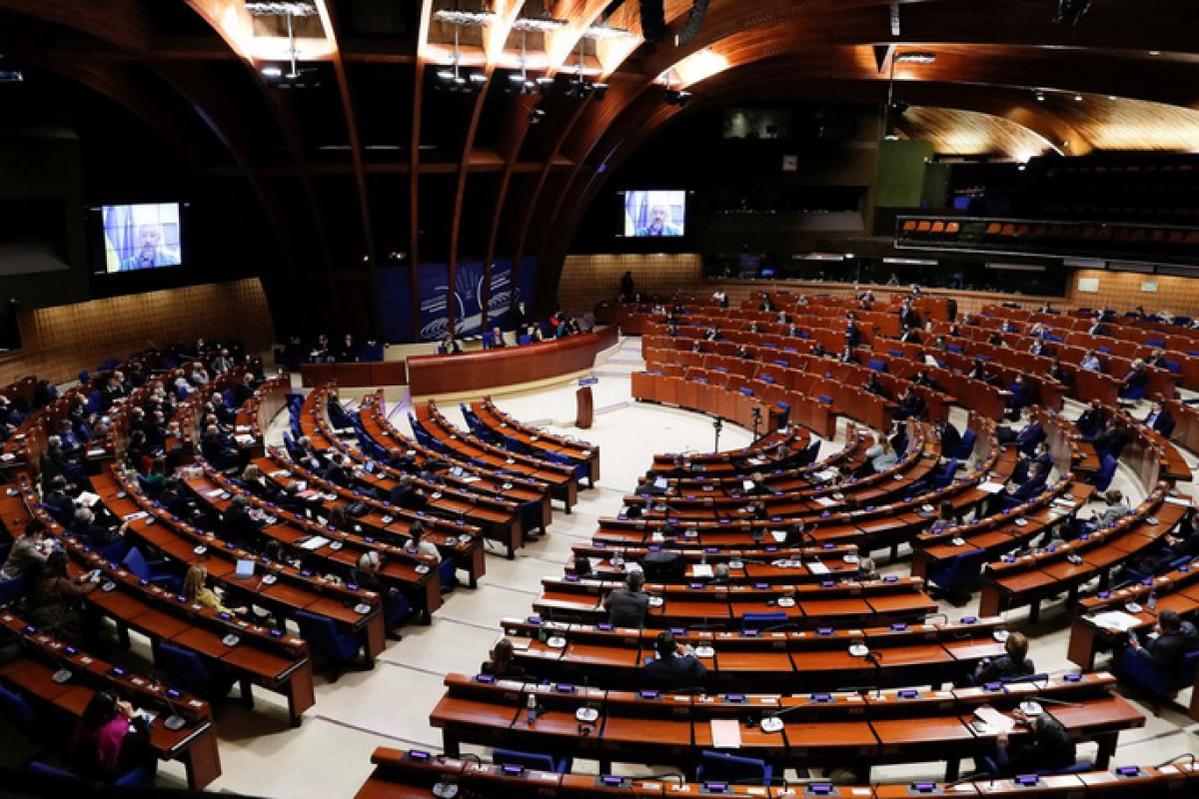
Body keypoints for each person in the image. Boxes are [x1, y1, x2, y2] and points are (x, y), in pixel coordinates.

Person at [72, 691, 152, 781]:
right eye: (117, 706)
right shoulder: (115, 733)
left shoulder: (84, 720)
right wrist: (132, 715)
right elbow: (145, 736)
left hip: (80, 766)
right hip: (104, 776)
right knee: (148, 758)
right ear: (108, 714)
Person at [27, 551, 98, 643]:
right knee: (83, 616)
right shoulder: (59, 581)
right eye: (67, 564)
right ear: (61, 566)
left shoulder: (43, 572)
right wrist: (94, 583)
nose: (68, 566)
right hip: (51, 613)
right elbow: (79, 591)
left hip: (36, 608)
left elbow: (66, 584)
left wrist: (81, 578)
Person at [988, 712, 1076, 776]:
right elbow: (1046, 734)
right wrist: (1028, 722)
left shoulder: (1028, 751)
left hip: (1021, 776)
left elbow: (1004, 769)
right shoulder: (1068, 740)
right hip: (1057, 769)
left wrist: (1001, 745)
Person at [1127, 609, 1199, 671]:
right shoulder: (1189, 626)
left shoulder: (1163, 644)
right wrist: (1162, 632)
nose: (1156, 625)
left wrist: (1138, 647)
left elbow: (1154, 661)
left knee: (1127, 650)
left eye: (1158, 623)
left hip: (1166, 670)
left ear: (1167, 628)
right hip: (1184, 661)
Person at [182, 564, 247, 615]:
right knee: (242, 602)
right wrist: (236, 610)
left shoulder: (186, 588)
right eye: (205, 574)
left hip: (212, 603)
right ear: (202, 578)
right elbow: (220, 610)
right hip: (218, 609)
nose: (206, 575)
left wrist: (216, 598)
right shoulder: (206, 595)